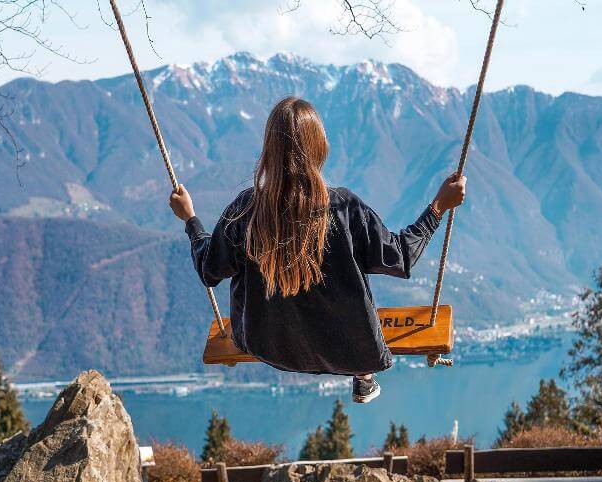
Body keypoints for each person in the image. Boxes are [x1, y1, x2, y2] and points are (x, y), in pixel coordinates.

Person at [169, 96, 466, 404]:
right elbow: (401, 258)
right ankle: (362, 375)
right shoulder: (343, 209)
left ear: (269, 150)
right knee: (351, 289)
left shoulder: (246, 211)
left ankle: (359, 371)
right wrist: (438, 207)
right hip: (349, 352)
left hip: (266, 344)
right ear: (320, 147)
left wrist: (190, 219)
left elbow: (209, 269)